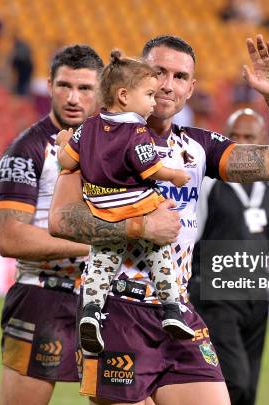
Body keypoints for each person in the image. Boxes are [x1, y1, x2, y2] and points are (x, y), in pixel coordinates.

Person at [48, 34, 269, 405]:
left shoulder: (198, 148)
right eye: (159, 72)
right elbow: (62, 220)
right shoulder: (97, 136)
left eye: (180, 77)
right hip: (117, 310)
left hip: (177, 312)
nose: (168, 85)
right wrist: (139, 227)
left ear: (190, 89)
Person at [0, 45, 180, 405]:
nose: (73, 98)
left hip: (111, 297)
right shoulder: (27, 149)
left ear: (105, 90)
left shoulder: (127, 140)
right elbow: (10, 237)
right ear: (48, 85)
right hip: (44, 293)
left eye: (85, 88)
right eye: (64, 86)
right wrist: (111, 240)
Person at [57, 51, 193, 354]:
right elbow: (150, 169)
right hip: (138, 206)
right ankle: (172, 308)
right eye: (148, 95)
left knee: (101, 263)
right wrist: (175, 175)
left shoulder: (88, 126)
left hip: (102, 210)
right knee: (160, 256)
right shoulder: (137, 131)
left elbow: (66, 161)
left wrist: (62, 144)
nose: (153, 102)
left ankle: (91, 311)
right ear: (123, 95)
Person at [189, 108, 269, 405]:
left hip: (255, 298)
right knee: (233, 380)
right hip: (214, 296)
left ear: (262, 140)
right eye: (234, 136)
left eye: (249, 136)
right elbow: (189, 239)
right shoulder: (209, 183)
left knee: (249, 389)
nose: (241, 142)